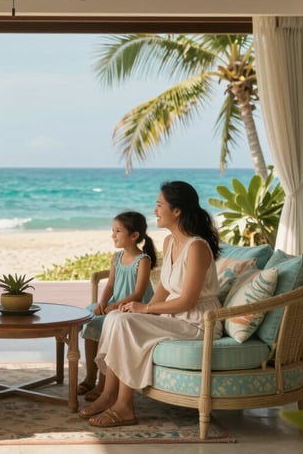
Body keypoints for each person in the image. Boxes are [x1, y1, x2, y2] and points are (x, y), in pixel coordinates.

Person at [78, 180, 222, 427]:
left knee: (125, 323)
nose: (155, 211)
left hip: (198, 324)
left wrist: (145, 309)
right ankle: (108, 394)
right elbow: (165, 286)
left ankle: (123, 407)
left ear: (177, 211)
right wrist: (144, 313)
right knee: (116, 318)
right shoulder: (170, 242)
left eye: (159, 205)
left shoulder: (197, 247)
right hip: (174, 319)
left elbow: (187, 300)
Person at [79, 211, 157, 403]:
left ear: (134, 236)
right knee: (90, 321)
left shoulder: (143, 260)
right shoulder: (116, 258)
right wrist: (102, 303)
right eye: (112, 230)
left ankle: (103, 385)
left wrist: (115, 306)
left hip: (133, 307)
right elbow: (110, 285)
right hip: (115, 305)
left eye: (118, 231)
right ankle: (90, 377)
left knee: (107, 326)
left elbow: (138, 294)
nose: (113, 235)